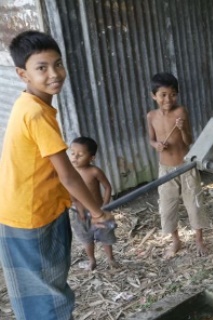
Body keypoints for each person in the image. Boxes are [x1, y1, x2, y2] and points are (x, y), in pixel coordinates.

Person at [0, 30, 114, 320]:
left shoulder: (30, 105)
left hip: (24, 211)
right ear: (22, 74)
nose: (55, 73)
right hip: (32, 215)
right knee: (48, 293)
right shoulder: (37, 114)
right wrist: (96, 212)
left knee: (35, 290)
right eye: (42, 68)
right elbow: (68, 175)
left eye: (58, 63)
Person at [147, 72, 209, 258]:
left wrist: (182, 129)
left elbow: (188, 141)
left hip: (185, 167)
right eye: (163, 95)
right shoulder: (151, 116)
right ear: (154, 96)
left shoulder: (181, 112)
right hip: (165, 169)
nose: (168, 99)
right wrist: (156, 145)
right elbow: (150, 139)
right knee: (167, 207)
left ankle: (199, 241)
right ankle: (176, 240)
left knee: (194, 205)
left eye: (173, 94)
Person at [69, 136, 119, 270]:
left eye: (80, 155)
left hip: (99, 211)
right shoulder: (69, 173)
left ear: (92, 157)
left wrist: (105, 206)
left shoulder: (94, 171)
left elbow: (107, 187)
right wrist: (75, 205)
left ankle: (110, 259)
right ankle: (92, 260)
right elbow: (68, 192)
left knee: (106, 236)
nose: (75, 157)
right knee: (86, 238)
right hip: (79, 214)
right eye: (73, 153)